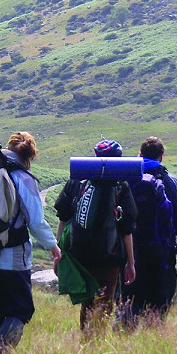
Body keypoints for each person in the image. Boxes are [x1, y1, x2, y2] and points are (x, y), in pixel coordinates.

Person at [0, 132, 62, 354]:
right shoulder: (23, 179)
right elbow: (35, 220)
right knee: (19, 311)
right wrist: (53, 246)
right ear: (29, 156)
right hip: (14, 258)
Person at [54, 139, 137, 335]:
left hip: (80, 254)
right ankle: (95, 344)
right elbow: (127, 229)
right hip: (109, 256)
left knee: (88, 302)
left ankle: (87, 340)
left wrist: (59, 253)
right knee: (104, 301)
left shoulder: (77, 181)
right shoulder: (120, 186)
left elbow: (63, 218)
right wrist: (130, 263)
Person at [121, 136, 177, 326]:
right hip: (162, 256)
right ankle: (153, 342)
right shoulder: (171, 182)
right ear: (161, 157)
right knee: (158, 307)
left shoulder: (126, 180)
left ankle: (125, 343)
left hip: (131, 256)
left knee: (130, 307)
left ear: (140, 155)